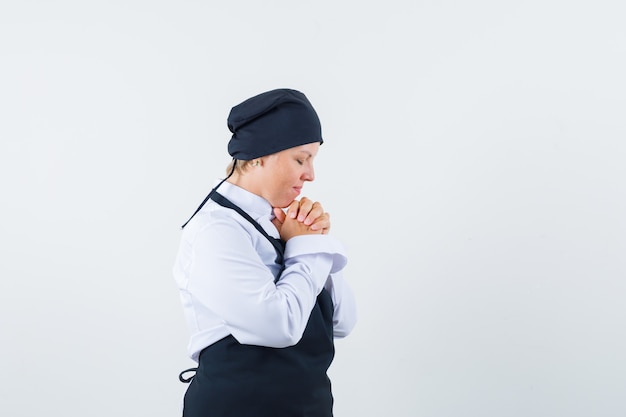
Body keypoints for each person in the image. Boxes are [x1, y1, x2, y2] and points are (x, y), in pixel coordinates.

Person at [173, 88, 357, 417]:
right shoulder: (215, 231)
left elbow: (343, 321)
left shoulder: (284, 224)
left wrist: (312, 238)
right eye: (301, 159)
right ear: (259, 155)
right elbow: (278, 326)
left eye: (313, 160)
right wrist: (305, 248)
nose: (310, 175)